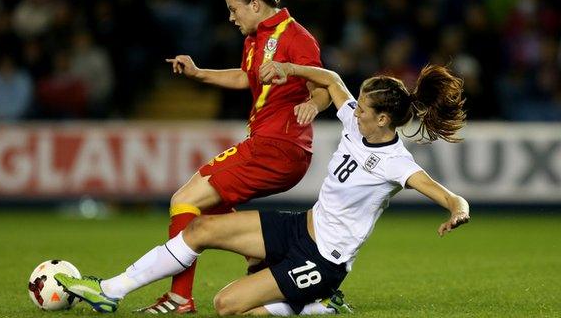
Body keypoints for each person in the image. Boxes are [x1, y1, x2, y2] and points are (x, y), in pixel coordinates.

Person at [54, 62, 470, 315]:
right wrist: (290, 70)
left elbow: (440, 191)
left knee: (228, 305)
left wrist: (456, 207)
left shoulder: (396, 162)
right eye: (357, 105)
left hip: (324, 261)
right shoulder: (353, 120)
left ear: (383, 120)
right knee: (197, 230)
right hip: (299, 228)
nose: (353, 110)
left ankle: (316, 304)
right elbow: (330, 78)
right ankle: (110, 290)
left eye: (362, 109)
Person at [146, 0, 331, 313]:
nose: (231, 17)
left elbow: (323, 86)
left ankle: (180, 297)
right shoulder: (253, 40)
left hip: (278, 146)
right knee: (205, 210)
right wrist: (199, 73)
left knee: (183, 198)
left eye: (235, 9)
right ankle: (271, 255)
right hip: (269, 144)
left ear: (257, 4)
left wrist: (312, 105)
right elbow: (245, 78)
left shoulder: (297, 37)